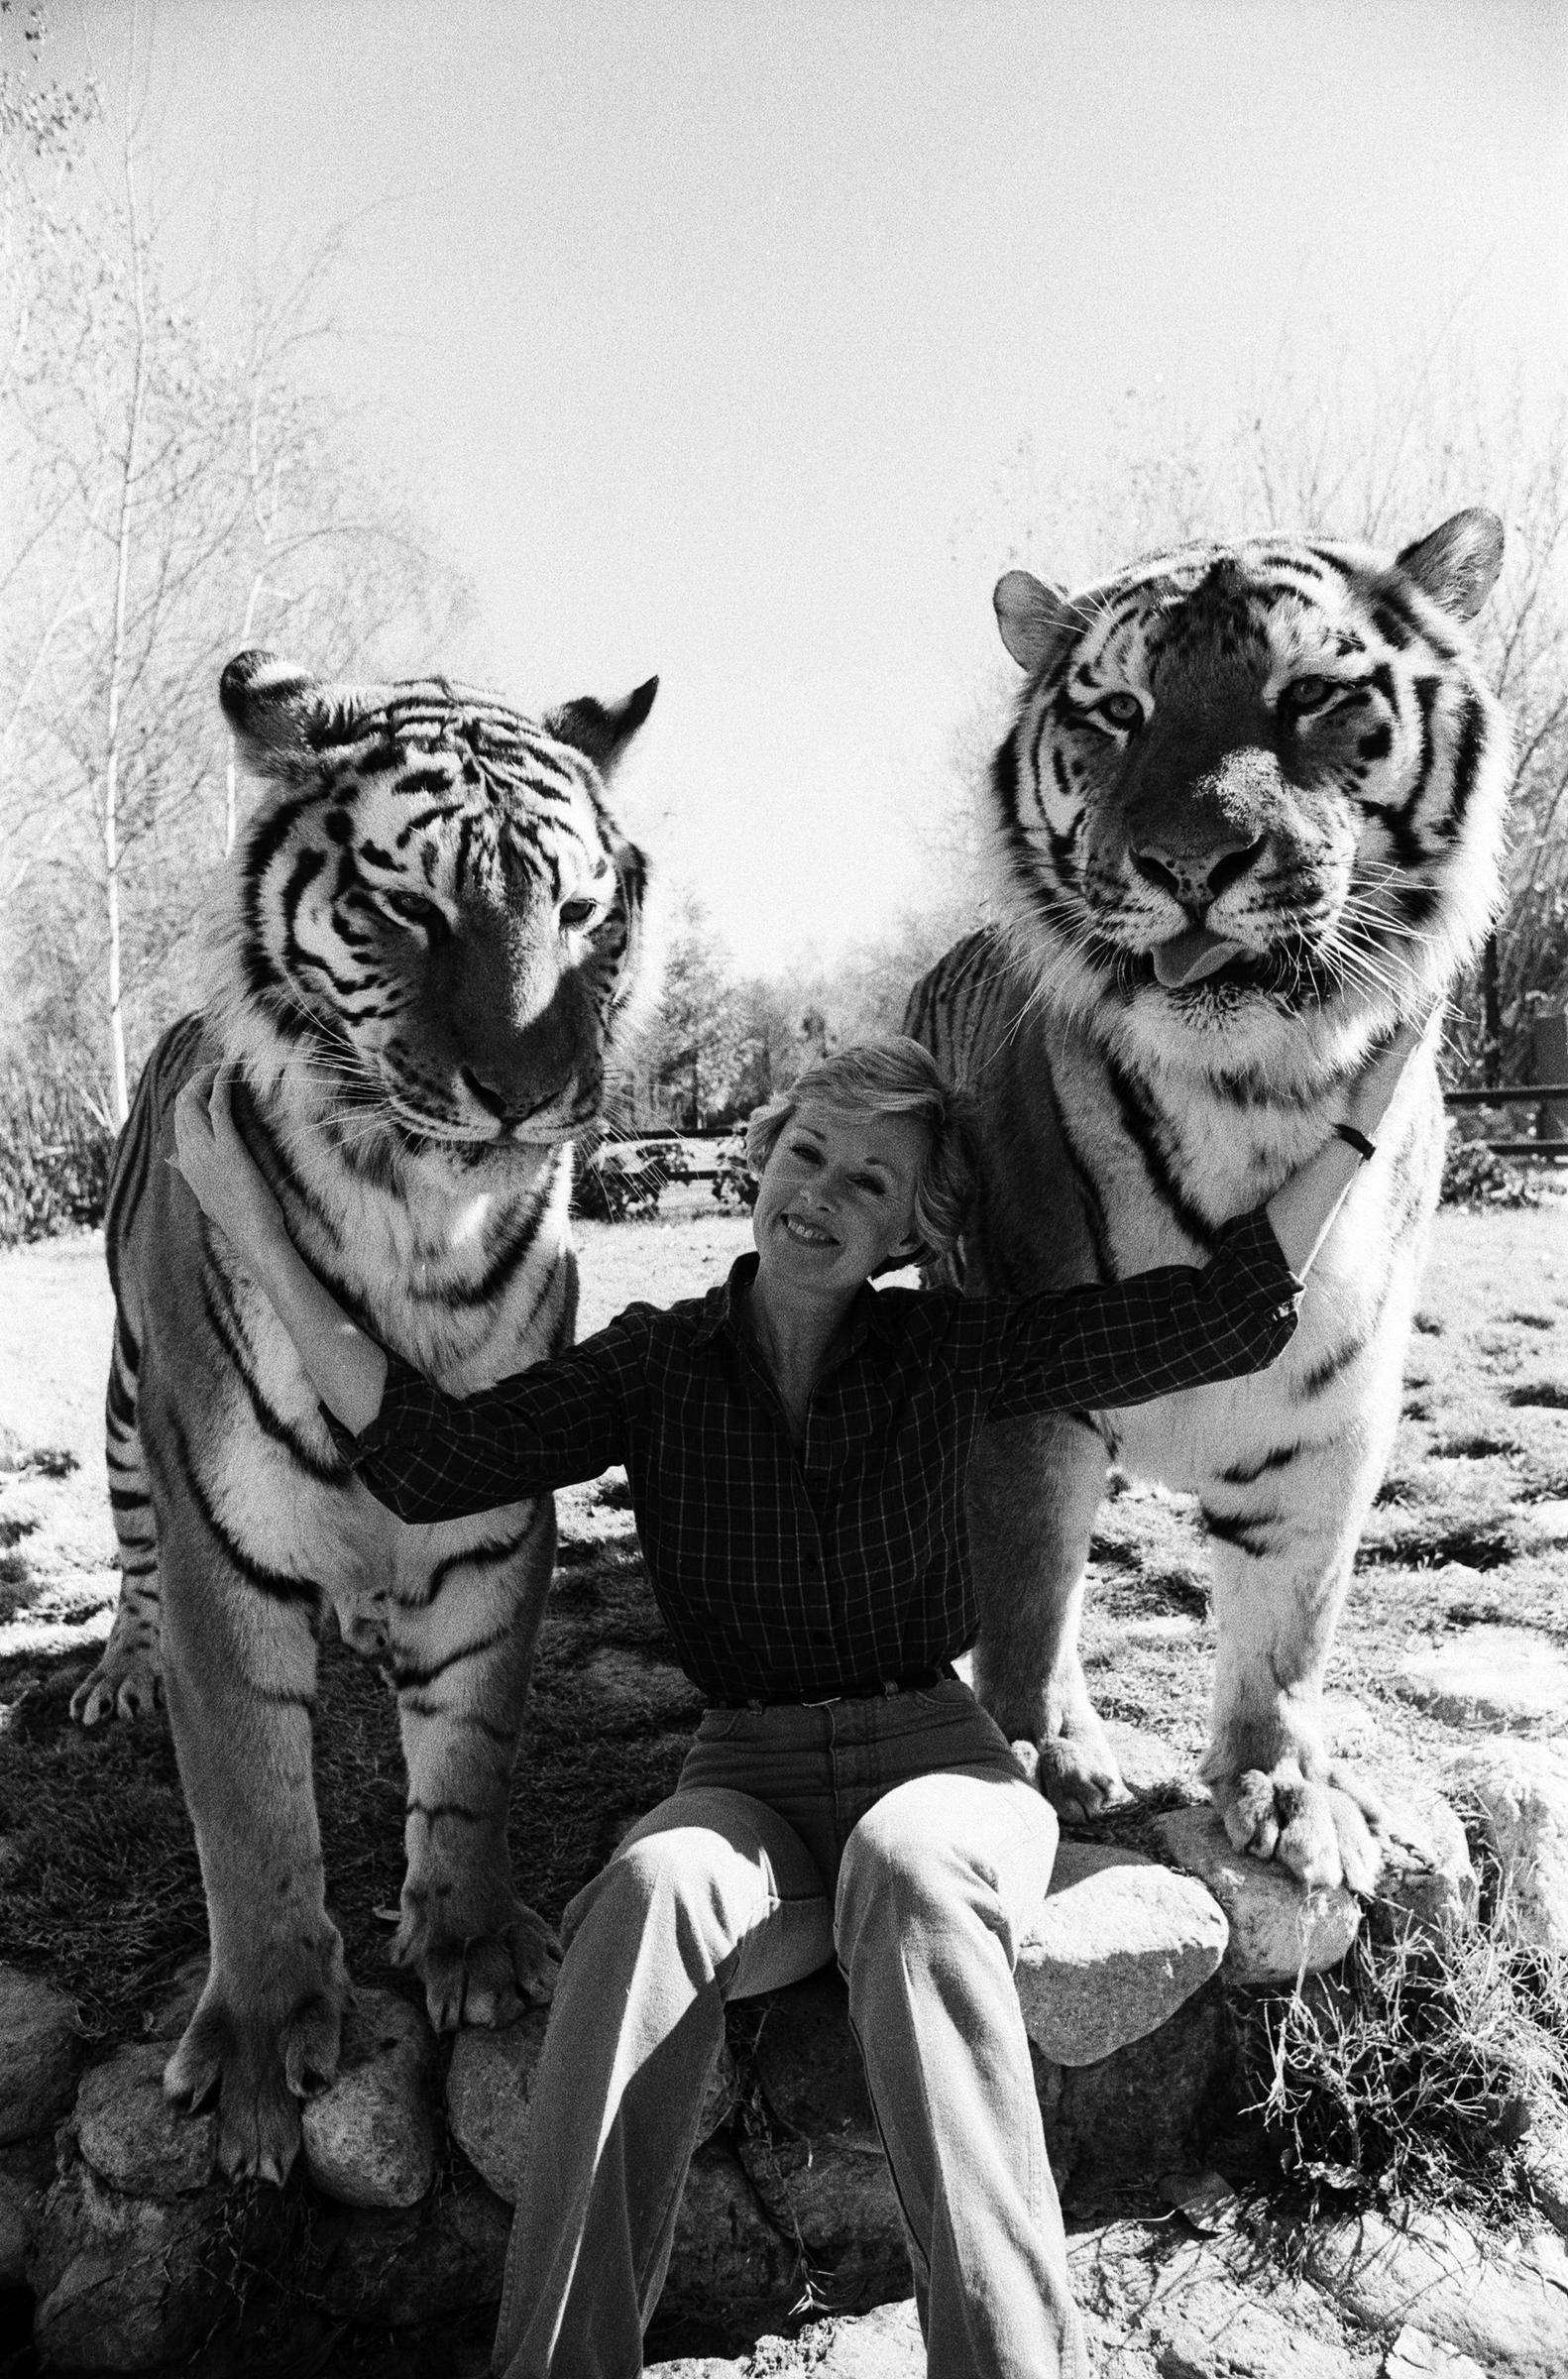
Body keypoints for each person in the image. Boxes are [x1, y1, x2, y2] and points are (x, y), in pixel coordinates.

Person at [170, 1023, 1422, 2379]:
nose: (822, 1195)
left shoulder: (948, 1353)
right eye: (808, 1155)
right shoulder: (655, 1364)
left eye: (870, 1184)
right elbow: (429, 1456)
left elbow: (1220, 1313)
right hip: (746, 1784)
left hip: (937, 1767)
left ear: (909, 1230)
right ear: (760, 1160)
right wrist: (245, 1212)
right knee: (651, 1890)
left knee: (910, 1866)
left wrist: (1354, 1131)